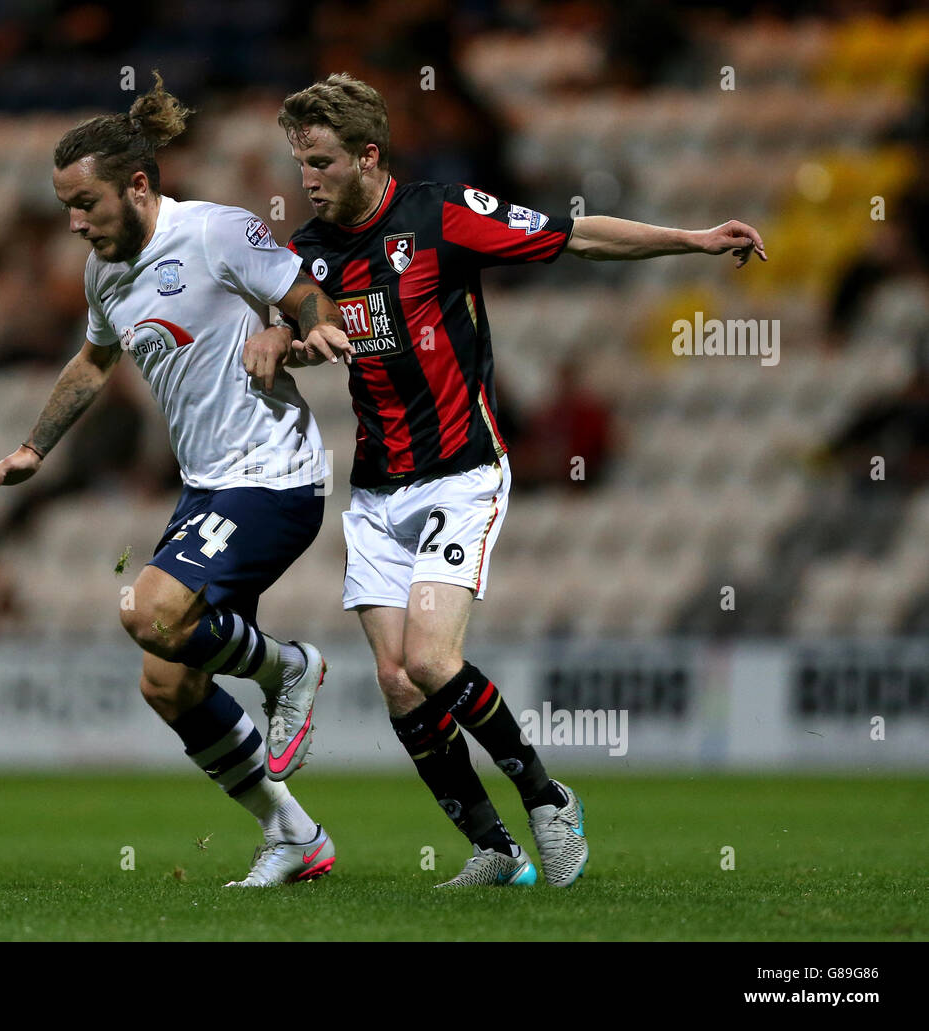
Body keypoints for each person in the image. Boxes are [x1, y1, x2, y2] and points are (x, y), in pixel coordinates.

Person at [262, 73, 767, 887]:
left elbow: (576, 236)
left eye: (320, 162)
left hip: (460, 472)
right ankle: (495, 851)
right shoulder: (306, 255)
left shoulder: (441, 215)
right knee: (395, 680)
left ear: (367, 155)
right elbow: (274, 329)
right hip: (375, 487)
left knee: (430, 660)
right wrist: (277, 346)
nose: (307, 179)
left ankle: (547, 796)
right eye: (299, 163)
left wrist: (692, 239)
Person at [0, 74, 352, 886]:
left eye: (87, 202)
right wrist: (35, 446)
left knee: (147, 608)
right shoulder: (107, 271)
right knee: (167, 679)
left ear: (138, 184)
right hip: (208, 486)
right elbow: (96, 360)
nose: (75, 221)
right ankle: (295, 836)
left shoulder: (216, 233)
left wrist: (306, 332)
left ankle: (288, 668)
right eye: (66, 205)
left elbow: (306, 291)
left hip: (274, 473)